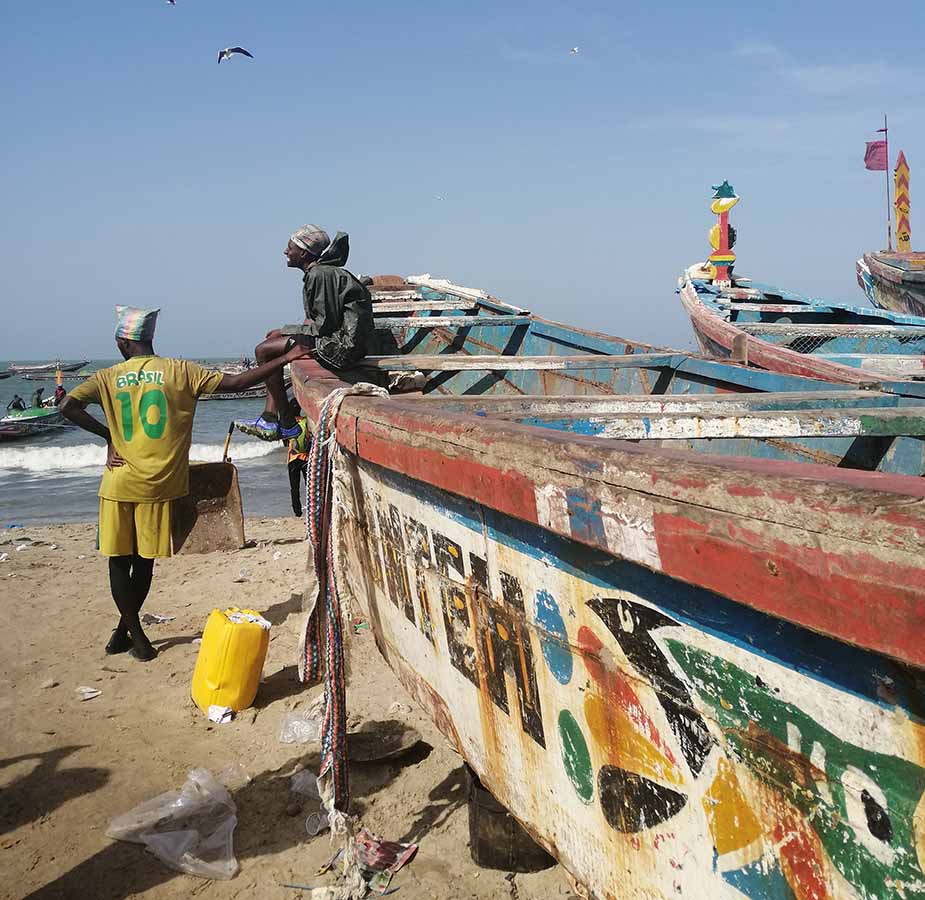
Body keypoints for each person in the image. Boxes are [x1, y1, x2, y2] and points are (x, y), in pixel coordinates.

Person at [61, 304, 311, 661]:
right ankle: (126, 632)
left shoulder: (107, 376)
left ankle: (133, 636)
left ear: (122, 343)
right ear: (149, 339)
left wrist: (109, 437)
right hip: (160, 483)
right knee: (144, 561)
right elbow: (239, 382)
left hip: (119, 482)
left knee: (119, 560)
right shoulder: (181, 371)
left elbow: (68, 407)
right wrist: (288, 358)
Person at [236, 224, 375, 441]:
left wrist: (285, 330)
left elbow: (324, 326)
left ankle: (286, 422)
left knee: (263, 351)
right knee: (271, 344)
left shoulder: (319, 274)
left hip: (341, 348)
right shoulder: (321, 272)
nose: (285, 252)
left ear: (303, 253)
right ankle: (271, 418)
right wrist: (284, 332)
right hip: (344, 341)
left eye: (289, 247)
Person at [285, 399, 310, 517]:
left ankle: (297, 511)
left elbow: (285, 443)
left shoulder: (288, 424)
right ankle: (311, 509)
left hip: (292, 460)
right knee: (309, 486)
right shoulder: (306, 422)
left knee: (294, 488)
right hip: (306, 459)